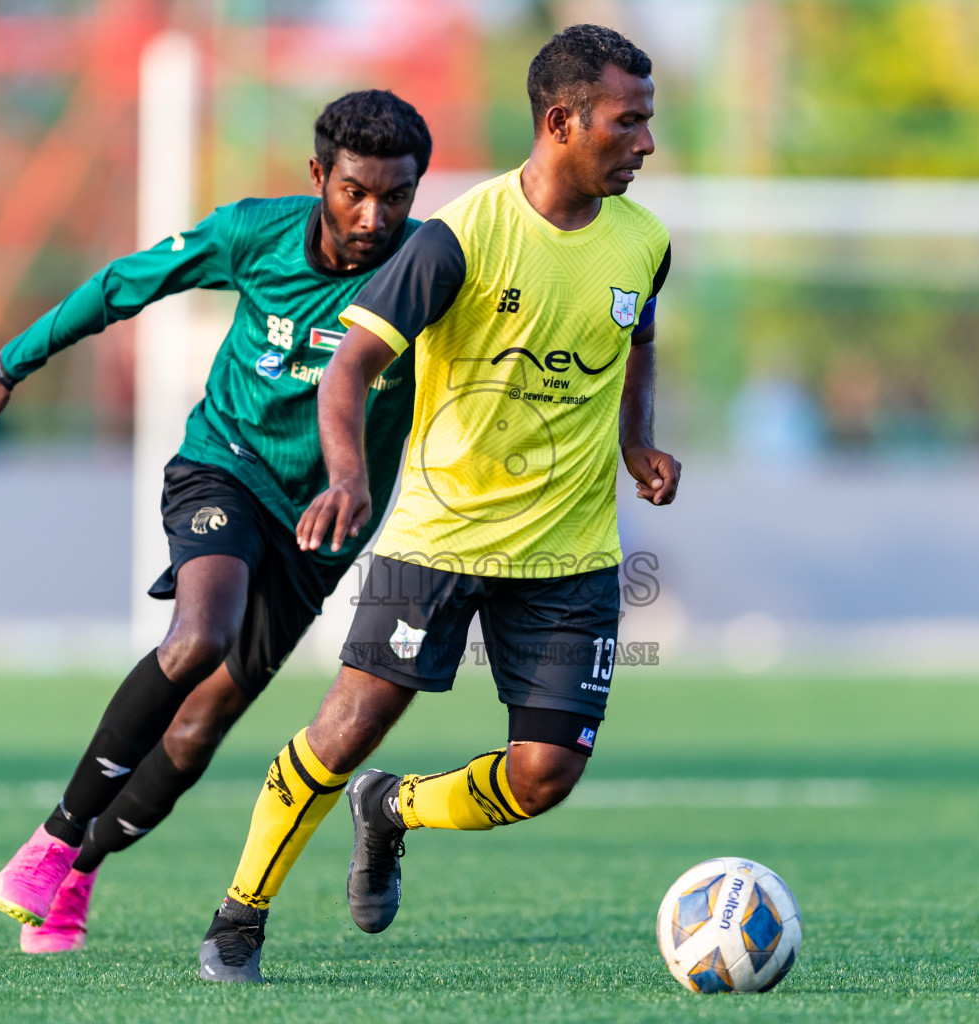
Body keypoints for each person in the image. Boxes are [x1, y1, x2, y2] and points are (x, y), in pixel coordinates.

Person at [196, 24, 679, 984]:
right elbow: (350, 367)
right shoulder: (461, 238)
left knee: (545, 778)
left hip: (571, 554)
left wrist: (635, 441)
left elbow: (638, 340)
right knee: (346, 726)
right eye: (629, 123)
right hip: (442, 537)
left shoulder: (646, 241)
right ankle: (238, 917)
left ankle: (394, 809)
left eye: (648, 123)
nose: (647, 143)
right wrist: (347, 477)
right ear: (561, 120)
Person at [0, 91, 432, 954]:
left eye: (396, 196)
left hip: (324, 528)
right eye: (355, 191)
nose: (374, 215)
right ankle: (53, 836)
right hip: (224, 467)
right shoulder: (252, 234)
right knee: (200, 633)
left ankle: (79, 872)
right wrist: (6, 368)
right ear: (319, 176)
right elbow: (124, 284)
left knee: (202, 726)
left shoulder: (428, 267)